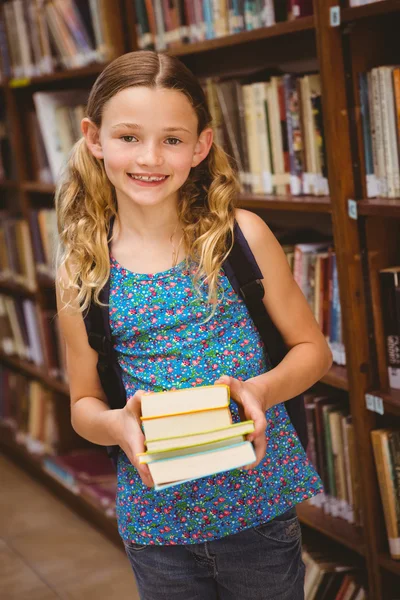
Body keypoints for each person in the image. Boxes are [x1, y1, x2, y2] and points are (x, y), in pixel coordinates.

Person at [55, 50, 332, 600]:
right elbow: (83, 405)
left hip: (257, 510)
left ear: (201, 146)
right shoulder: (81, 269)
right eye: (129, 137)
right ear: (94, 138)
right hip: (157, 526)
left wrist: (258, 389)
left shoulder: (241, 237)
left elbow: (313, 351)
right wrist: (117, 426)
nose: (150, 157)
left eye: (173, 139)